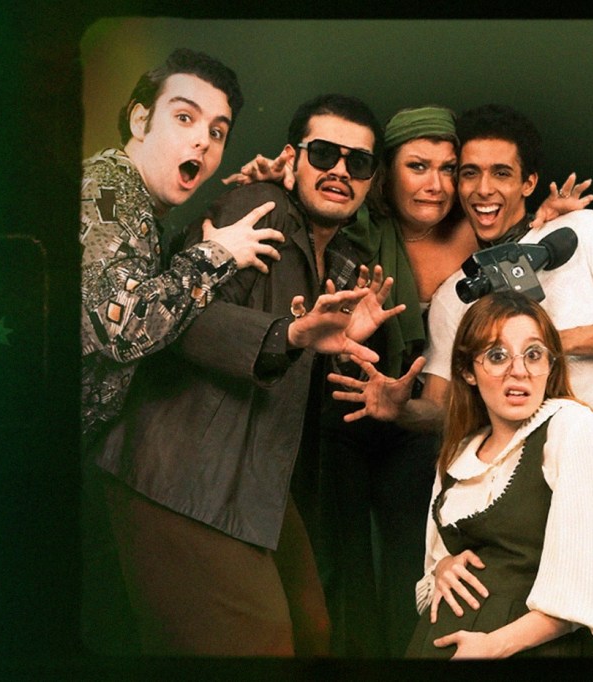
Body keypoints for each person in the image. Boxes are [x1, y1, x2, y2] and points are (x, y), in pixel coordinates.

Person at [225, 106, 593, 657]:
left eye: (448, 169)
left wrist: (543, 216)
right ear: (384, 175)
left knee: (412, 563)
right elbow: (306, 208)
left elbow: (513, 231)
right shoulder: (351, 226)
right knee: (340, 565)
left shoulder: (475, 228)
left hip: (419, 413)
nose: (437, 184)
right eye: (418, 166)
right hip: (340, 406)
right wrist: (273, 179)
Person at [91, 93, 404, 656]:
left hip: (255, 475)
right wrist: (291, 335)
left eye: (357, 162)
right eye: (323, 154)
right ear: (292, 158)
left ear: (371, 179)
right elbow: (183, 323)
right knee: (262, 645)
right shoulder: (259, 207)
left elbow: (299, 353)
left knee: (313, 630)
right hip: (179, 470)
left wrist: (338, 349)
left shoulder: (342, 258)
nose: (339, 171)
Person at [328, 106, 593, 633]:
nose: (483, 189)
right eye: (469, 173)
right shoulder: (454, 297)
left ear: (528, 182)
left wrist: (544, 346)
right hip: (509, 483)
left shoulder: (582, 230)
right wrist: (399, 409)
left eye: (501, 173)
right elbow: (441, 409)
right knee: (514, 627)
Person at [79, 47, 285, 653]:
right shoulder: (105, 190)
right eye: (185, 117)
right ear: (140, 119)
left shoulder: (141, 209)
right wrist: (218, 253)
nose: (202, 141)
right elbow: (125, 327)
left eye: (217, 132)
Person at [405, 291, 593, 658]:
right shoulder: (458, 455)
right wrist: (443, 569)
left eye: (533, 354)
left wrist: (493, 645)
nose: (519, 371)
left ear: (551, 365)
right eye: (497, 356)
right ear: (467, 371)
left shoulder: (576, 431)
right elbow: (432, 571)